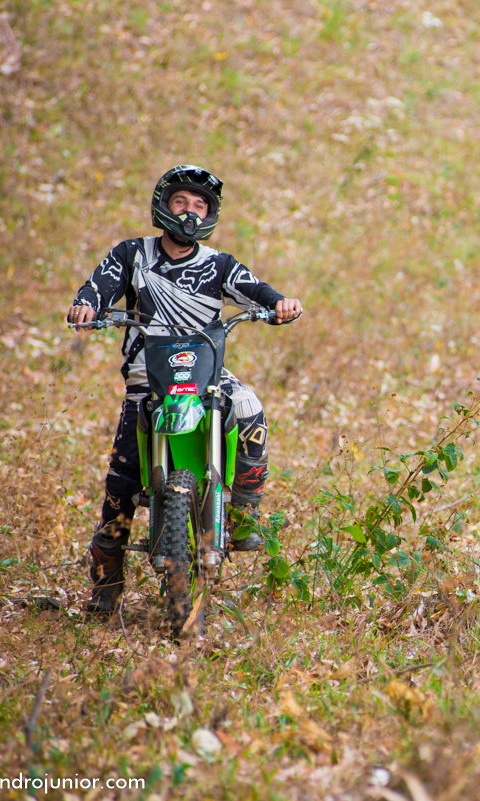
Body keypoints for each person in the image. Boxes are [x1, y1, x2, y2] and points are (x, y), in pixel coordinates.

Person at [66, 165, 303, 616]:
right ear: (163, 205)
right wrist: (87, 305)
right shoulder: (132, 254)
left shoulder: (219, 264)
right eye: (181, 202)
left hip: (206, 377)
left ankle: (244, 513)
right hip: (148, 379)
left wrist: (280, 304)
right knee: (121, 483)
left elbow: (257, 290)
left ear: (211, 214)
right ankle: (106, 585)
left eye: (199, 205)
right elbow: (99, 286)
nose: (189, 213)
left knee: (249, 407)